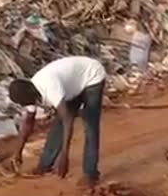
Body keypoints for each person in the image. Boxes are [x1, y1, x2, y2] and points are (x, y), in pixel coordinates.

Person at [8, 56, 106, 187]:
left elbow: (68, 119)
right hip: (73, 84)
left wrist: (64, 156)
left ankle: (91, 174)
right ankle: (45, 165)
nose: (30, 105)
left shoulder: (50, 87)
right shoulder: (28, 93)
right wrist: (17, 152)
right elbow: (28, 123)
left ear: (33, 94)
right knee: (59, 123)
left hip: (92, 76)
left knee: (90, 125)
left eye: (30, 102)